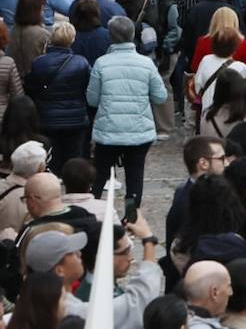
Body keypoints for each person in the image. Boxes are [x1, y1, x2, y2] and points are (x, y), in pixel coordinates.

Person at [87, 15, 167, 208]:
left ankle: (93, 209)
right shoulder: (146, 64)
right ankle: (131, 216)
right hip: (139, 130)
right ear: (133, 35)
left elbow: (92, 99)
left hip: (108, 130)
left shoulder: (101, 63)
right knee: (134, 175)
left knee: (99, 174)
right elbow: (161, 97)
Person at [25, 22, 90, 171]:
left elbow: (30, 87)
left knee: (51, 158)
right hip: (75, 118)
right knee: (73, 158)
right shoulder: (81, 63)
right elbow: (88, 88)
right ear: (72, 39)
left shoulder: (39, 63)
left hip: (47, 118)